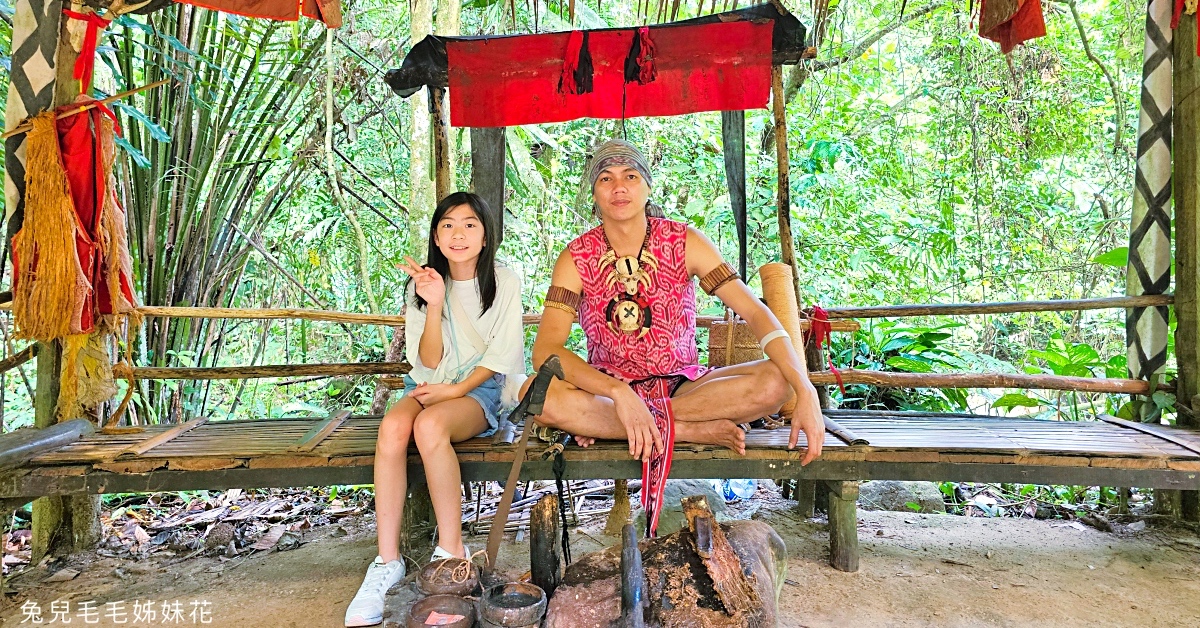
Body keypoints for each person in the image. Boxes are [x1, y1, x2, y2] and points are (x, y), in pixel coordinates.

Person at [527, 139, 824, 535]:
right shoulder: (575, 257)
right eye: (606, 178)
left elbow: (754, 311)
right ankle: (687, 430)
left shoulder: (685, 242)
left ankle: (618, 424)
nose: (619, 187)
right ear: (593, 192)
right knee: (536, 391)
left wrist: (804, 389)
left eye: (631, 176)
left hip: (683, 386)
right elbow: (546, 349)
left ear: (647, 186)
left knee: (776, 380)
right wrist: (618, 394)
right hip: (611, 390)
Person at [345, 192, 524, 627]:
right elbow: (426, 360)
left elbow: (501, 356)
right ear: (436, 236)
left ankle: (450, 555)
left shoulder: (504, 281)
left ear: (485, 236)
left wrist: (456, 390)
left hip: (478, 390)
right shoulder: (422, 284)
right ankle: (387, 562)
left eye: (469, 224)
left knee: (428, 428)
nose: (458, 233)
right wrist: (435, 302)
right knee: (392, 429)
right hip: (427, 383)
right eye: (447, 224)